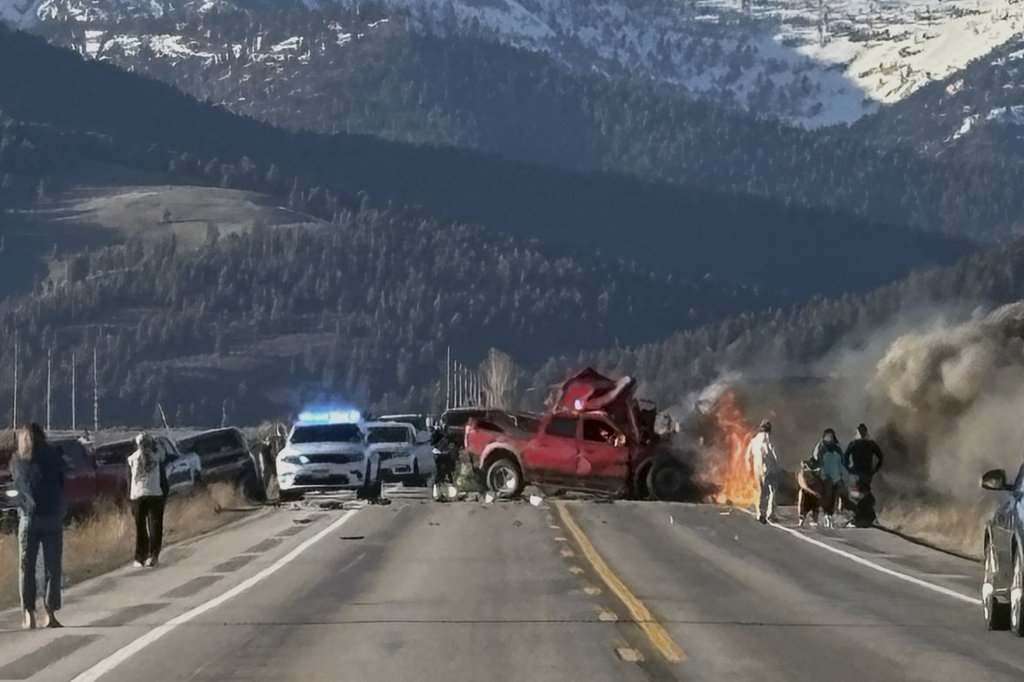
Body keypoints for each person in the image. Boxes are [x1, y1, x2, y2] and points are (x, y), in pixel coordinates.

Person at [11, 423, 65, 630]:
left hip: (29, 517)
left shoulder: (18, 461)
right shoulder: (53, 456)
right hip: (51, 515)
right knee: (52, 566)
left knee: (27, 566)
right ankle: (50, 613)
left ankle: (28, 613)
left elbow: (18, 487)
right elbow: (61, 483)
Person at [128, 432, 169, 568]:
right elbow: (163, 479)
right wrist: (165, 494)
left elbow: (129, 481)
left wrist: (129, 498)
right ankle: (153, 555)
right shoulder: (157, 457)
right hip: (155, 494)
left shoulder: (131, 459)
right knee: (155, 526)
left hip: (137, 496)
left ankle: (140, 557)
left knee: (140, 528)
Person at [746, 419, 780, 524]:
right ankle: (771, 514)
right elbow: (776, 455)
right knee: (772, 491)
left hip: (758, 469)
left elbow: (748, 456)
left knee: (761, 492)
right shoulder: (770, 440)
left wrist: (749, 469)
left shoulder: (754, 440)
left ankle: (761, 513)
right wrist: (779, 467)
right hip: (771, 469)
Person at [813, 428, 845, 529]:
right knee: (826, 497)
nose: (829, 437)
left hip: (835, 476)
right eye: (827, 435)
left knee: (834, 497)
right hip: (825, 476)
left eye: (830, 435)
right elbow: (816, 459)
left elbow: (842, 461)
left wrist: (841, 475)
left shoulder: (837, 448)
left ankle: (830, 515)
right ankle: (826, 515)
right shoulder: (821, 447)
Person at [797, 457, 823, 528]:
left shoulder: (816, 473)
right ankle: (801, 518)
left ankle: (814, 519)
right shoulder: (802, 474)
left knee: (815, 505)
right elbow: (804, 486)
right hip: (806, 493)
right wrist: (814, 492)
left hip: (813, 494)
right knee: (803, 502)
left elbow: (819, 483)